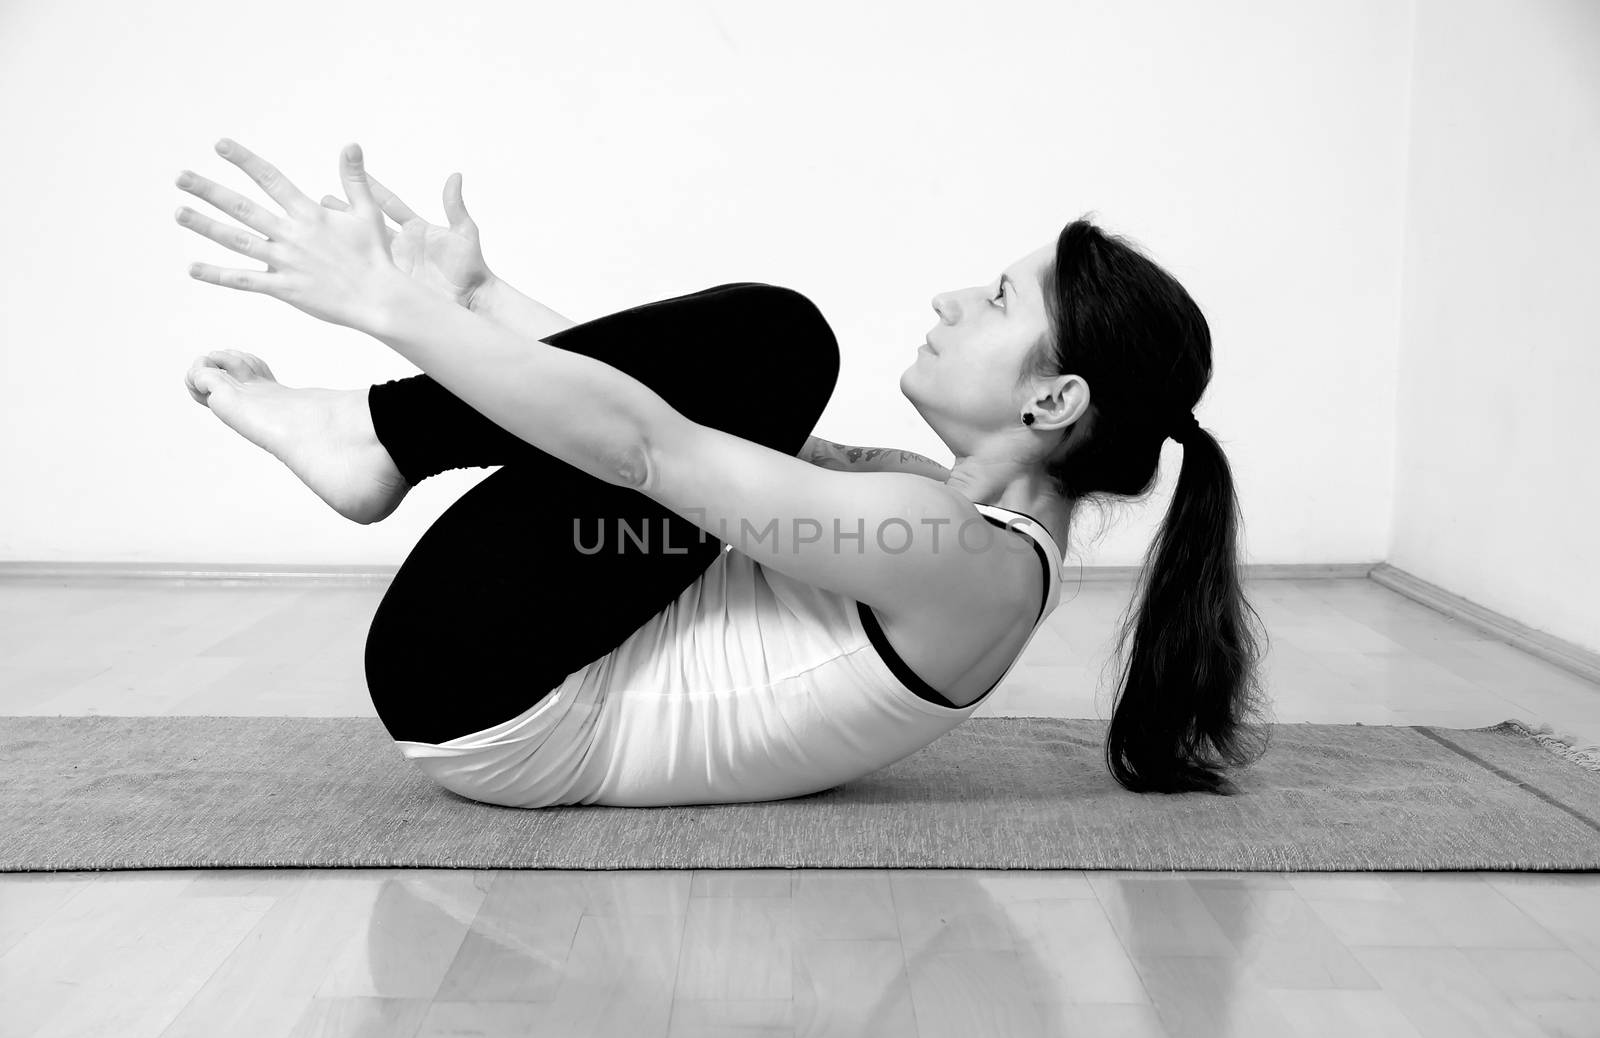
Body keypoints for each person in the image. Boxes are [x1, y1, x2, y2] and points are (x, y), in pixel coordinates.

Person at [185, 170, 1270, 806]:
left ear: (1052, 402)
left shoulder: (947, 549)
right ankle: (373, 435)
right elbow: (674, 424)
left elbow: (647, 452)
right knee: (761, 359)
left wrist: (389, 310)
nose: (948, 300)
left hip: (486, 695)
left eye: (993, 301)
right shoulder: (947, 524)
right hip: (495, 680)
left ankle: (370, 436)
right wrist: (475, 296)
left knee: (779, 339)